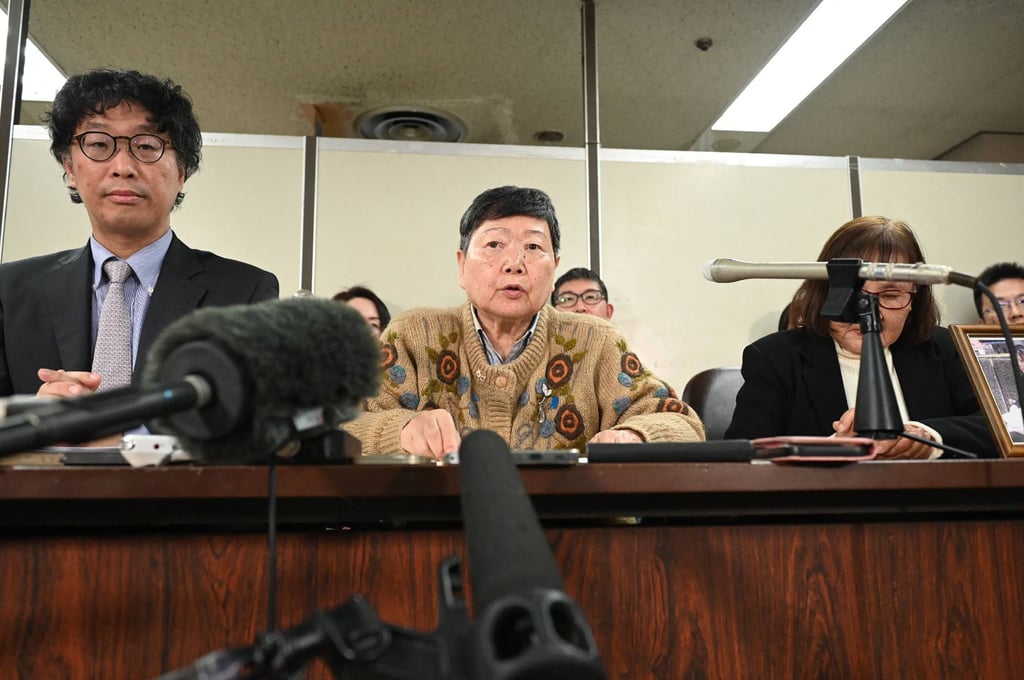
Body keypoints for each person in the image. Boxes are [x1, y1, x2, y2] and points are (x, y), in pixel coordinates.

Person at [344, 186, 704, 458]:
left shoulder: (596, 342)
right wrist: (403, 430)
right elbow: (344, 426)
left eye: (533, 248)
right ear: (461, 265)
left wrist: (634, 436)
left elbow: (682, 423)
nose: (514, 263)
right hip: (439, 531)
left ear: (554, 269)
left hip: (568, 534)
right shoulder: (414, 335)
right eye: (494, 245)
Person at [0, 69, 279, 398]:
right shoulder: (9, 292)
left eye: (146, 146)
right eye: (99, 144)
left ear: (181, 172)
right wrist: (34, 422)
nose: (123, 166)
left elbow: (251, 425)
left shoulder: (243, 293)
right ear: (70, 168)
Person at [725, 216, 997, 459]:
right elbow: (743, 455)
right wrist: (834, 448)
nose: (869, 312)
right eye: (853, 295)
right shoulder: (776, 358)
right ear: (825, 292)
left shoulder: (946, 348)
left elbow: (1005, 429)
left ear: (915, 299)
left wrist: (926, 437)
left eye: (890, 295)